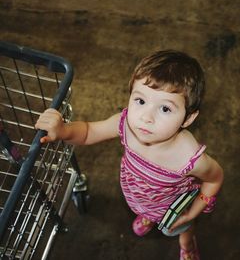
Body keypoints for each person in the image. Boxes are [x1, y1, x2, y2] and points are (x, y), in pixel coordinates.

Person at [35, 50, 224, 260]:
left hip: (174, 210)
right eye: (141, 101)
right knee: (142, 209)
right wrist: (63, 130)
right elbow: (89, 131)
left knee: (180, 229)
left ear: (188, 118)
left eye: (165, 109)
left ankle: (187, 246)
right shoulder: (124, 124)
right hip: (137, 196)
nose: (146, 117)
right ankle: (147, 216)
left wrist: (192, 213)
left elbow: (215, 178)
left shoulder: (190, 159)